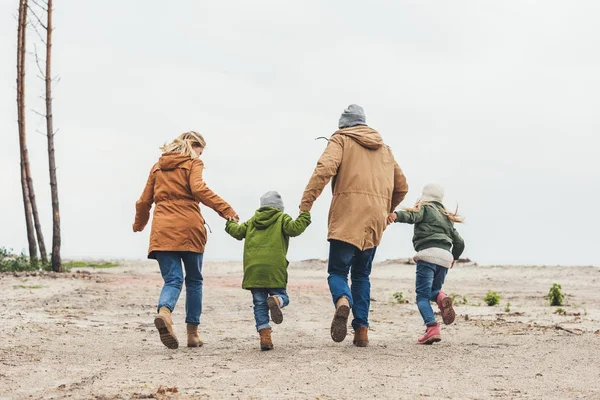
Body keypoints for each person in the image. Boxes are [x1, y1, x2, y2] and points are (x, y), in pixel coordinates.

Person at [299, 104, 408, 347]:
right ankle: (361, 331)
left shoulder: (341, 140)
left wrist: (306, 204)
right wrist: (386, 209)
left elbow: (323, 170)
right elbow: (402, 186)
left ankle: (342, 301)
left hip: (347, 216)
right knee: (362, 275)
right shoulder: (385, 150)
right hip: (374, 221)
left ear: (343, 125)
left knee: (338, 272)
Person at [133, 131, 239, 350]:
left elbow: (144, 201)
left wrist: (140, 224)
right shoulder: (193, 163)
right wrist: (226, 209)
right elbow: (199, 189)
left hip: (162, 231)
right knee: (194, 281)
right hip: (189, 229)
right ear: (195, 147)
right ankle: (192, 334)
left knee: (172, 280)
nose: (200, 155)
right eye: (200, 151)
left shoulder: (157, 167)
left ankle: (164, 312)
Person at [225, 191, 311, 351]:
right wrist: (305, 215)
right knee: (283, 296)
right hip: (274, 269)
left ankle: (265, 337)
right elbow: (295, 229)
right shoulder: (282, 219)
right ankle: (277, 300)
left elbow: (237, 232)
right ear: (280, 208)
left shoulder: (252, 221)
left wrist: (230, 222)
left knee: (259, 303)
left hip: (254, 269)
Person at [387, 183, 465, 344]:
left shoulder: (425, 208)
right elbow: (460, 242)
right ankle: (441, 296)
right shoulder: (446, 217)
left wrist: (395, 215)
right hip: (444, 258)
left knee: (422, 296)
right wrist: (454, 258)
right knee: (433, 290)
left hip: (428, 255)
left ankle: (432, 327)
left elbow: (411, 216)